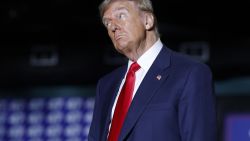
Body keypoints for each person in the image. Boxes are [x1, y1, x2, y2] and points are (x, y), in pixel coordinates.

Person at [88, 0, 217, 141]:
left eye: (121, 16)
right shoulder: (106, 85)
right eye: (107, 22)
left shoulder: (190, 74)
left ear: (148, 21)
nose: (113, 26)